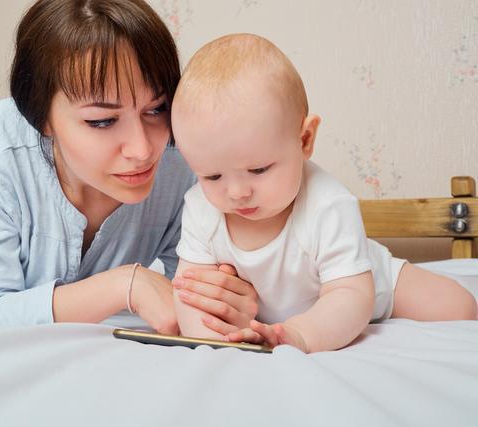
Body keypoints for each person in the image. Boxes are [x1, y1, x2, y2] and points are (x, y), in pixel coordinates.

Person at [0, 0, 260, 334]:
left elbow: (188, 297)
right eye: (102, 120)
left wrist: (226, 301)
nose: (142, 149)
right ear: (40, 117)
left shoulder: (186, 166)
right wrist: (123, 284)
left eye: (157, 109)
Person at [170, 33, 478, 352]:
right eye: (213, 175)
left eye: (259, 169)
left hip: (367, 283)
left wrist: (300, 334)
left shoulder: (329, 205)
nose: (236, 192)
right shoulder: (200, 207)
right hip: (276, 311)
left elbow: (350, 297)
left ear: (304, 140)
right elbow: (190, 292)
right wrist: (210, 342)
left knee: (459, 307)